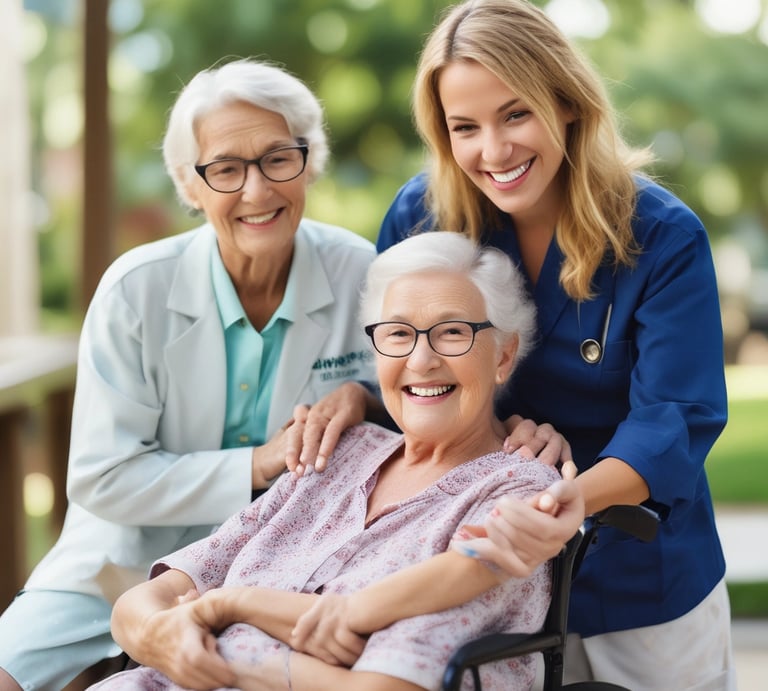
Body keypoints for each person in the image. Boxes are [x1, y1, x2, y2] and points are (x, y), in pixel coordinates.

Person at [376, 1, 734, 689]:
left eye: (516, 114)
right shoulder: (422, 217)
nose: (494, 150)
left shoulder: (662, 236)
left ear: (566, 102)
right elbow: (402, 369)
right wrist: (505, 428)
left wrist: (567, 499)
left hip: (640, 584)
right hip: (484, 579)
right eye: (465, 127)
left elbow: (675, 419)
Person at [0, 58, 386, 691]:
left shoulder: (359, 273)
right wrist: (260, 463)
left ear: (309, 161)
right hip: (118, 562)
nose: (257, 191)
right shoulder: (136, 290)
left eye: (277, 159)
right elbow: (104, 477)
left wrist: (362, 397)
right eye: (226, 169)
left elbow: (403, 405)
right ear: (189, 182)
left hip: (276, 561)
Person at [88, 231, 560, 691]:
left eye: (452, 333)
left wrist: (225, 615)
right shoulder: (339, 452)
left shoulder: (514, 496)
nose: (420, 360)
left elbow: (387, 683)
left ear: (504, 354)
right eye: (397, 333)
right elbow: (144, 601)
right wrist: (163, 638)